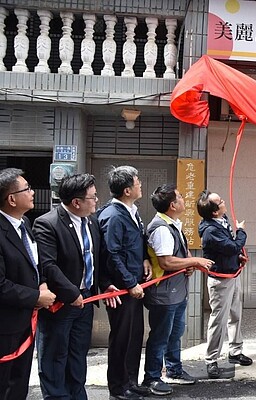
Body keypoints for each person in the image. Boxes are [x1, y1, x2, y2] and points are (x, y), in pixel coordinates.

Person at [33, 174, 112, 399]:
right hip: (60, 303)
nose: (97, 200)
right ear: (76, 202)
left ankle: (77, 394)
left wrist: (105, 285)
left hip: (85, 301)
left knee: (78, 354)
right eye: (93, 197)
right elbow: (48, 265)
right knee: (55, 355)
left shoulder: (91, 221)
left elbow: (98, 259)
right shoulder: (48, 224)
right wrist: (71, 293)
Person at [141, 184, 214, 395]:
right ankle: (152, 377)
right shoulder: (162, 228)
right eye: (180, 197)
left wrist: (187, 265)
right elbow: (166, 262)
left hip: (176, 291)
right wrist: (195, 260)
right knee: (161, 336)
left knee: (175, 333)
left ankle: (174, 370)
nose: (184, 199)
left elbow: (175, 260)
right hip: (164, 294)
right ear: (172, 205)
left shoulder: (171, 223)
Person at [0, 168, 56, 400]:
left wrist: (42, 284)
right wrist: (35, 298)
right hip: (5, 324)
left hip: (25, 320)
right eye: (27, 189)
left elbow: (34, 264)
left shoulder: (24, 224)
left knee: (20, 380)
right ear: (11, 199)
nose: (32, 193)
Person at [97, 166, 152, 400]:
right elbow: (113, 253)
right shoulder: (113, 215)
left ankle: (131, 380)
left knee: (134, 335)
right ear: (127, 189)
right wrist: (130, 283)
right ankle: (118, 388)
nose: (141, 185)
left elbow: (136, 242)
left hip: (135, 284)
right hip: (122, 288)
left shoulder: (132, 211)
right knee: (121, 338)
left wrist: (145, 260)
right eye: (138, 182)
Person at [197, 190, 252, 379]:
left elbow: (229, 250)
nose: (223, 202)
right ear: (213, 212)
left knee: (236, 314)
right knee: (218, 320)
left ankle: (235, 352)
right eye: (220, 201)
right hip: (220, 281)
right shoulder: (210, 231)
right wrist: (241, 230)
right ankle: (211, 359)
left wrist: (237, 258)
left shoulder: (222, 219)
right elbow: (233, 245)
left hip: (232, 274)